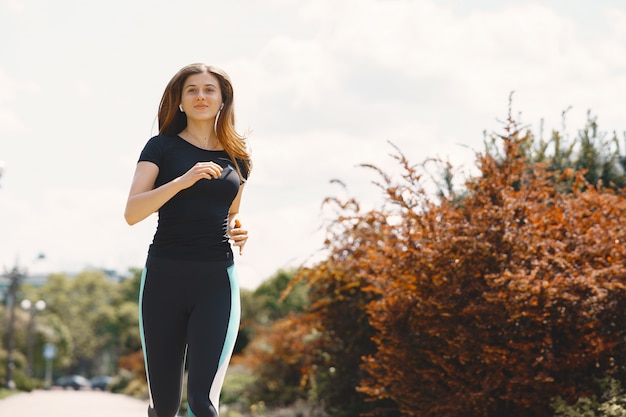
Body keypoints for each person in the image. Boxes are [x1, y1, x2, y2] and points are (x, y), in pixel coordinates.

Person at [124, 63, 252, 417]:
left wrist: (239, 229)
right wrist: (182, 180)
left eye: (209, 89)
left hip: (216, 281)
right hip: (164, 277)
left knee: (202, 402)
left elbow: (229, 214)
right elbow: (132, 212)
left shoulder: (238, 157)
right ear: (179, 101)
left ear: (223, 99)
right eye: (192, 90)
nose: (201, 96)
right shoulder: (161, 148)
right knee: (164, 406)